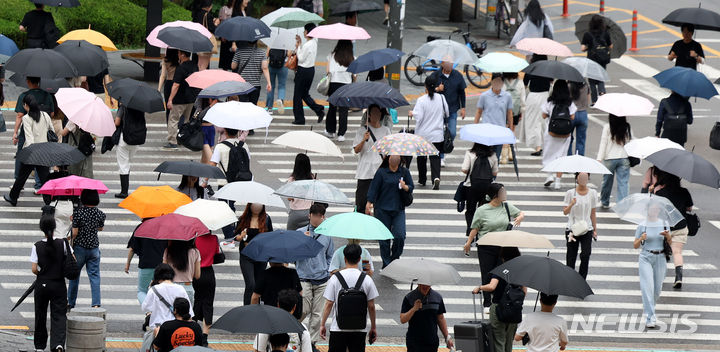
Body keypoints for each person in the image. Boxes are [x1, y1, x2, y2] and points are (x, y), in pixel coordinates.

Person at [463, 183, 524, 310]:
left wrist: (519, 218)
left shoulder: (506, 206)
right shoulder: (482, 210)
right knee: (487, 273)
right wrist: (468, 242)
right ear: (495, 195)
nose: (505, 194)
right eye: (502, 192)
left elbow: (520, 213)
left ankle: (498, 299)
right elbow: (475, 228)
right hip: (486, 246)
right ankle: (487, 302)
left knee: (502, 272)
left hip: (503, 246)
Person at [320, 244, 379, 352]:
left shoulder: (335, 278)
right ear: (359, 259)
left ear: (344, 258)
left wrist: (322, 324)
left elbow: (329, 304)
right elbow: (371, 306)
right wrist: (373, 327)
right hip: (359, 329)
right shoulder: (366, 279)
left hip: (338, 328)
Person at [296, 204, 334, 349]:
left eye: (321, 216)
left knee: (317, 315)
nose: (318, 219)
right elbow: (294, 256)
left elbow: (330, 255)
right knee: (303, 311)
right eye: (315, 215)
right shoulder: (300, 233)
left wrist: (326, 271)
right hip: (304, 278)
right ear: (309, 216)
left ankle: (311, 344)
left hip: (322, 279)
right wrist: (302, 243)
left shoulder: (327, 235)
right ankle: (296, 336)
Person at [472, 247, 524, 352]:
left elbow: (492, 287)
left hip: (498, 308)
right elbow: (524, 292)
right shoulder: (520, 272)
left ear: (503, 257)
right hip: (514, 309)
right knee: (509, 342)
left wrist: (480, 287)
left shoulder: (500, 269)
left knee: (498, 341)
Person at [366, 155, 414, 268]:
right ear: (388, 158)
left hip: (398, 209)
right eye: (392, 156)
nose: (394, 158)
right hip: (382, 209)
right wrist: (368, 204)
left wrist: (405, 187)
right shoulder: (381, 172)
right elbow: (373, 188)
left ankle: (395, 259)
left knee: (400, 236)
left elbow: (411, 186)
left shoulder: (404, 172)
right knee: (384, 239)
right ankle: (387, 264)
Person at [4, 95, 53, 206]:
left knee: (22, 176)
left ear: (26, 105)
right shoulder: (45, 115)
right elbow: (52, 130)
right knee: (45, 179)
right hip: (44, 151)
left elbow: (29, 138)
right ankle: (49, 203)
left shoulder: (26, 118)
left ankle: (13, 197)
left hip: (32, 153)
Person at [31, 211, 69, 352]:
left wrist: (43, 274)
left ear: (41, 228)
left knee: (40, 314)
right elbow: (72, 261)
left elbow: (34, 269)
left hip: (42, 284)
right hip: (58, 284)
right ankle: (58, 344)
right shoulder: (63, 244)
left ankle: (40, 346)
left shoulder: (37, 246)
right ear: (54, 227)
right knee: (59, 315)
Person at [651, 169, 693, 289]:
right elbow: (689, 208)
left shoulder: (660, 193)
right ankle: (678, 277)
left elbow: (654, 210)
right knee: (677, 252)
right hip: (680, 226)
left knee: (661, 253)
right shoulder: (684, 191)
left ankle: (658, 277)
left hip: (664, 227)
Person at [633, 205, 673, 329]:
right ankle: (651, 317)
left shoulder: (664, 224)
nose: (655, 211)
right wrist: (641, 238)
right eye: (652, 209)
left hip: (660, 257)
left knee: (657, 289)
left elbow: (670, 242)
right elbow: (635, 245)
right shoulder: (642, 225)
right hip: (646, 257)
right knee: (647, 287)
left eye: (657, 209)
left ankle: (649, 306)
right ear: (647, 210)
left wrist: (667, 236)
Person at [210, 128, 251, 239]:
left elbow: (213, 164)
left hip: (224, 183)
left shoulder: (220, 146)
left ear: (226, 132)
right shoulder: (243, 145)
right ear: (238, 132)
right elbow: (248, 162)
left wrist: (204, 181)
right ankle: (233, 231)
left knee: (224, 209)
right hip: (239, 181)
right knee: (231, 206)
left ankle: (229, 235)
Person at [67, 189, 105, 309]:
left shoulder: (78, 213)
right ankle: (96, 304)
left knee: (74, 276)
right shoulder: (100, 214)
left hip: (80, 248)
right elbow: (100, 228)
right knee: (94, 276)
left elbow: (75, 233)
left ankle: (70, 302)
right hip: (94, 248)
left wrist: (68, 236)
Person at [353, 104, 393, 214]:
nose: (376, 115)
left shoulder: (386, 131)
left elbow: (389, 151)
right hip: (364, 172)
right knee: (361, 205)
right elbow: (356, 150)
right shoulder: (362, 130)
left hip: (379, 172)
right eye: (374, 113)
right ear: (369, 115)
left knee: (380, 205)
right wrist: (364, 140)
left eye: (378, 113)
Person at [409, 76, 447, 189]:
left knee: (421, 157)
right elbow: (447, 113)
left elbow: (419, 117)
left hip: (423, 135)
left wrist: (412, 113)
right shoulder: (441, 98)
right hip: (437, 134)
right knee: (435, 157)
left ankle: (422, 179)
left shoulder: (421, 100)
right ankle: (436, 177)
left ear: (425, 86)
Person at [235, 203, 273, 305]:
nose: (257, 208)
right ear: (250, 206)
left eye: (259, 206)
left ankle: (256, 309)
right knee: (250, 284)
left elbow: (271, 236)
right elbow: (236, 236)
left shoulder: (267, 219)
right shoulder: (243, 219)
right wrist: (241, 237)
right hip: (246, 255)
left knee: (258, 286)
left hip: (261, 256)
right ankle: (247, 309)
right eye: (254, 206)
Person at [541, 79, 576, 190]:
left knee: (549, 154)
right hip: (565, 134)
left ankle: (549, 175)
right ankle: (558, 181)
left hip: (551, 132)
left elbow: (543, 115)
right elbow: (572, 117)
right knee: (561, 156)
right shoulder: (570, 102)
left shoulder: (550, 101)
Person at [562, 172, 598, 280]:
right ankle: (569, 278)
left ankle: (582, 279)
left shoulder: (592, 193)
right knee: (571, 256)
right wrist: (572, 204)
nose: (583, 179)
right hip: (572, 229)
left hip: (587, 228)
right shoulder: (570, 193)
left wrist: (595, 229)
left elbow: (593, 212)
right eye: (581, 177)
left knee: (586, 254)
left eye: (586, 177)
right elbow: (565, 212)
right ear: (577, 178)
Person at [431, 61, 467, 165]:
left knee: (452, 132)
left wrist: (463, 108)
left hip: (452, 109)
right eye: (447, 64)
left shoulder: (457, 75)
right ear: (442, 64)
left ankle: (444, 149)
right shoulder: (436, 75)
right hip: (438, 110)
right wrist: (437, 89)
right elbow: (428, 90)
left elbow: (462, 92)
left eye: (451, 64)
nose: (449, 66)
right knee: (438, 133)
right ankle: (441, 155)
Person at [400, 283, 453, 352]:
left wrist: (447, 337)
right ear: (418, 284)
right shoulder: (409, 297)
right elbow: (402, 319)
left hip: (432, 342)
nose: (425, 286)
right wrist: (414, 309)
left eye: (427, 284)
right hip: (414, 343)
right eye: (423, 284)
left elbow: (440, 318)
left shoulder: (437, 297)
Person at [125, 221, 168, 305]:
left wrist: (128, 264)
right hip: (162, 266)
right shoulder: (164, 228)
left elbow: (132, 249)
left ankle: (148, 311)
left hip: (145, 265)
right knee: (160, 290)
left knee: (141, 291)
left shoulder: (141, 227)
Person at [461, 143, 498, 236]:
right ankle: (481, 232)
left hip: (471, 187)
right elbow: (495, 172)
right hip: (487, 187)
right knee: (484, 211)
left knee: (470, 210)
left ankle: (470, 231)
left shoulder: (470, 153)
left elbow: (464, 169)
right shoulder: (493, 155)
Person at [473, 73, 513, 158]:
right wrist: (474, 127)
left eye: (499, 82)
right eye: (495, 81)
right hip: (486, 130)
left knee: (496, 157)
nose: (497, 84)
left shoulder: (507, 96)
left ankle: (494, 171)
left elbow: (509, 113)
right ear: (492, 82)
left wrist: (511, 129)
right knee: (485, 156)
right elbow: (479, 112)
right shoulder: (484, 96)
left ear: (502, 83)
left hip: (500, 131)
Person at [519, 55, 552, 156]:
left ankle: (538, 146)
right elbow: (551, 81)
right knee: (543, 122)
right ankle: (545, 144)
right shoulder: (548, 68)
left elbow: (524, 84)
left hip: (533, 96)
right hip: (545, 96)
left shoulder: (531, 68)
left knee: (533, 122)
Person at [292, 23, 325, 125]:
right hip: (310, 70)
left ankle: (299, 118)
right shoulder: (314, 42)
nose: (303, 32)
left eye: (304, 30)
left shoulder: (307, 45)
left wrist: (298, 47)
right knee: (304, 94)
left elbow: (301, 59)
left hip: (303, 71)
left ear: (307, 32)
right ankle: (319, 110)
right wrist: (301, 42)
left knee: (297, 96)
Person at [142, 264, 193, 330]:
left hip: (158, 327)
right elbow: (189, 311)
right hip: (176, 327)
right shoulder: (180, 289)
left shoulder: (154, 290)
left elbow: (145, 307)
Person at [597, 115, 632, 208]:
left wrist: (599, 158)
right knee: (623, 182)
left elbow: (603, 143)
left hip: (609, 158)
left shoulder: (608, 127)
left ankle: (604, 201)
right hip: (624, 157)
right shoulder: (627, 126)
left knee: (607, 181)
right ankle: (622, 204)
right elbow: (630, 143)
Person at [166, 50, 199, 149]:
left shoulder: (181, 68)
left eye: (179, 53)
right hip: (191, 98)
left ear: (183, 55)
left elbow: (176, 85)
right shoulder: (194, 66)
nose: (178, 55)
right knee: (186, 121)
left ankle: (172, 141)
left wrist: (170, 99)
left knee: (173, 119)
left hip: (179, 99)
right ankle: (184, 138)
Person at [323, 40, 355, 141]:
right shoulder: (352, 58)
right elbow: (354, 75)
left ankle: (330, 131)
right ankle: (341, 134)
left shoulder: (331, 55)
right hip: (346, 85)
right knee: (343, 110)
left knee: (332, 108)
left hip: (333, 84)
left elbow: (327, 71)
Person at [114, 104, 147, 198]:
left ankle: (124, 192)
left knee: (123, 165)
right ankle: (125, 188)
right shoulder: (141, 107)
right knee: (127, 163)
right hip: (136, 140)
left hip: (124, 140)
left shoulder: (123, 107)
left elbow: (117, 122)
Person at [193, 232, 221, 345]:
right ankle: (204, 337)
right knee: (208, 304)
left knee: (197, 301)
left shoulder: (194, 239)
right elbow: (216, 253)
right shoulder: (214, 238)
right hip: (209, 273)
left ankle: (193, 332)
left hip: (196, 273)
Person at [581, 15, 613, 104]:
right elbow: (611, 46)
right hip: (602, 59)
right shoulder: (606, 33)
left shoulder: (587, 34)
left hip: (592, 59)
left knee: (591, 80)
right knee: (601, 76)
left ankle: (595, 101)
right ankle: (602, 91)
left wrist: (589, 47)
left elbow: (582, 48)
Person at [232, 41, 271, 105]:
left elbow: (233, 66)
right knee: (253, 106)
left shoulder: (239, 51)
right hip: (255, 85)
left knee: (242, 106)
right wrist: (269, 82)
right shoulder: (262, 52)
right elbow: (265, 68)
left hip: (242, 84)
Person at [163, 240, 201, 304]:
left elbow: (163, 271)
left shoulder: (168, 251)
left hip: (171, 287)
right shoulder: (195, 252)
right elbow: (197, 275)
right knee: (187, 313)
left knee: (171, 313)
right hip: (187, 287)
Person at [286, 153, 315, 230]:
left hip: (295, 213)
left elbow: (289, 198)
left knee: (291, 236)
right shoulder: (312, 178)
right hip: (308, 212)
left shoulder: (292, 180)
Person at [503, 72, 525, 163]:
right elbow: (522, 99)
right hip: (515, 110)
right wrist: (522, 111)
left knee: (504, 131)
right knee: (512, 130)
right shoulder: (520, 83)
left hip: (504, 111)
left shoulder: (502, 82)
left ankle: (504, 156)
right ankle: (511, 153)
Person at [192, 0, 220, 71]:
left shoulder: (196, 13)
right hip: (205, 42)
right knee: (204, 65)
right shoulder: (208, 15)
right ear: (209, 6)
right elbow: (212, 29)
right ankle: (202, 80)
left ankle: (195, 79)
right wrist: (216, 24)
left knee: (197, 63)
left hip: (196, 41)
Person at [568, 80, 589, 155]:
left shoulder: (569, 86)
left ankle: (568, 159)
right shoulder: (585, 85)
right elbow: (588, 97)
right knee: (581, 140)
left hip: (571, 113)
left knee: (568, 139)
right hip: (583, 113)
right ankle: (580, 160)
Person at [266, 46, 289, 114]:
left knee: (271, 85)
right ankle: (280, 99)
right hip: (283, 65)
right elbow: (289, 54)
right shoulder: (287, 41)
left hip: (271, 64)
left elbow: (267, 54)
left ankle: (269, 108)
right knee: (282, 85)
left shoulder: (273, 39)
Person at [159, 49, 179, 122]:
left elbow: (163, 76)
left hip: (168, 84)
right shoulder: (179, 60)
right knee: (176, 106)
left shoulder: (165, 60)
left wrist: (159, 89)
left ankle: (169, 126)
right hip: (177, 84)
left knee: (168, 107)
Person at [218, 1, 235, 70]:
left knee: (233, 56)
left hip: (235, 35)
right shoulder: (224, 8)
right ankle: (225, 71)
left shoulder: (238, 10)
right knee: (225, 55)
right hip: (226, 34)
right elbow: (222, 22)